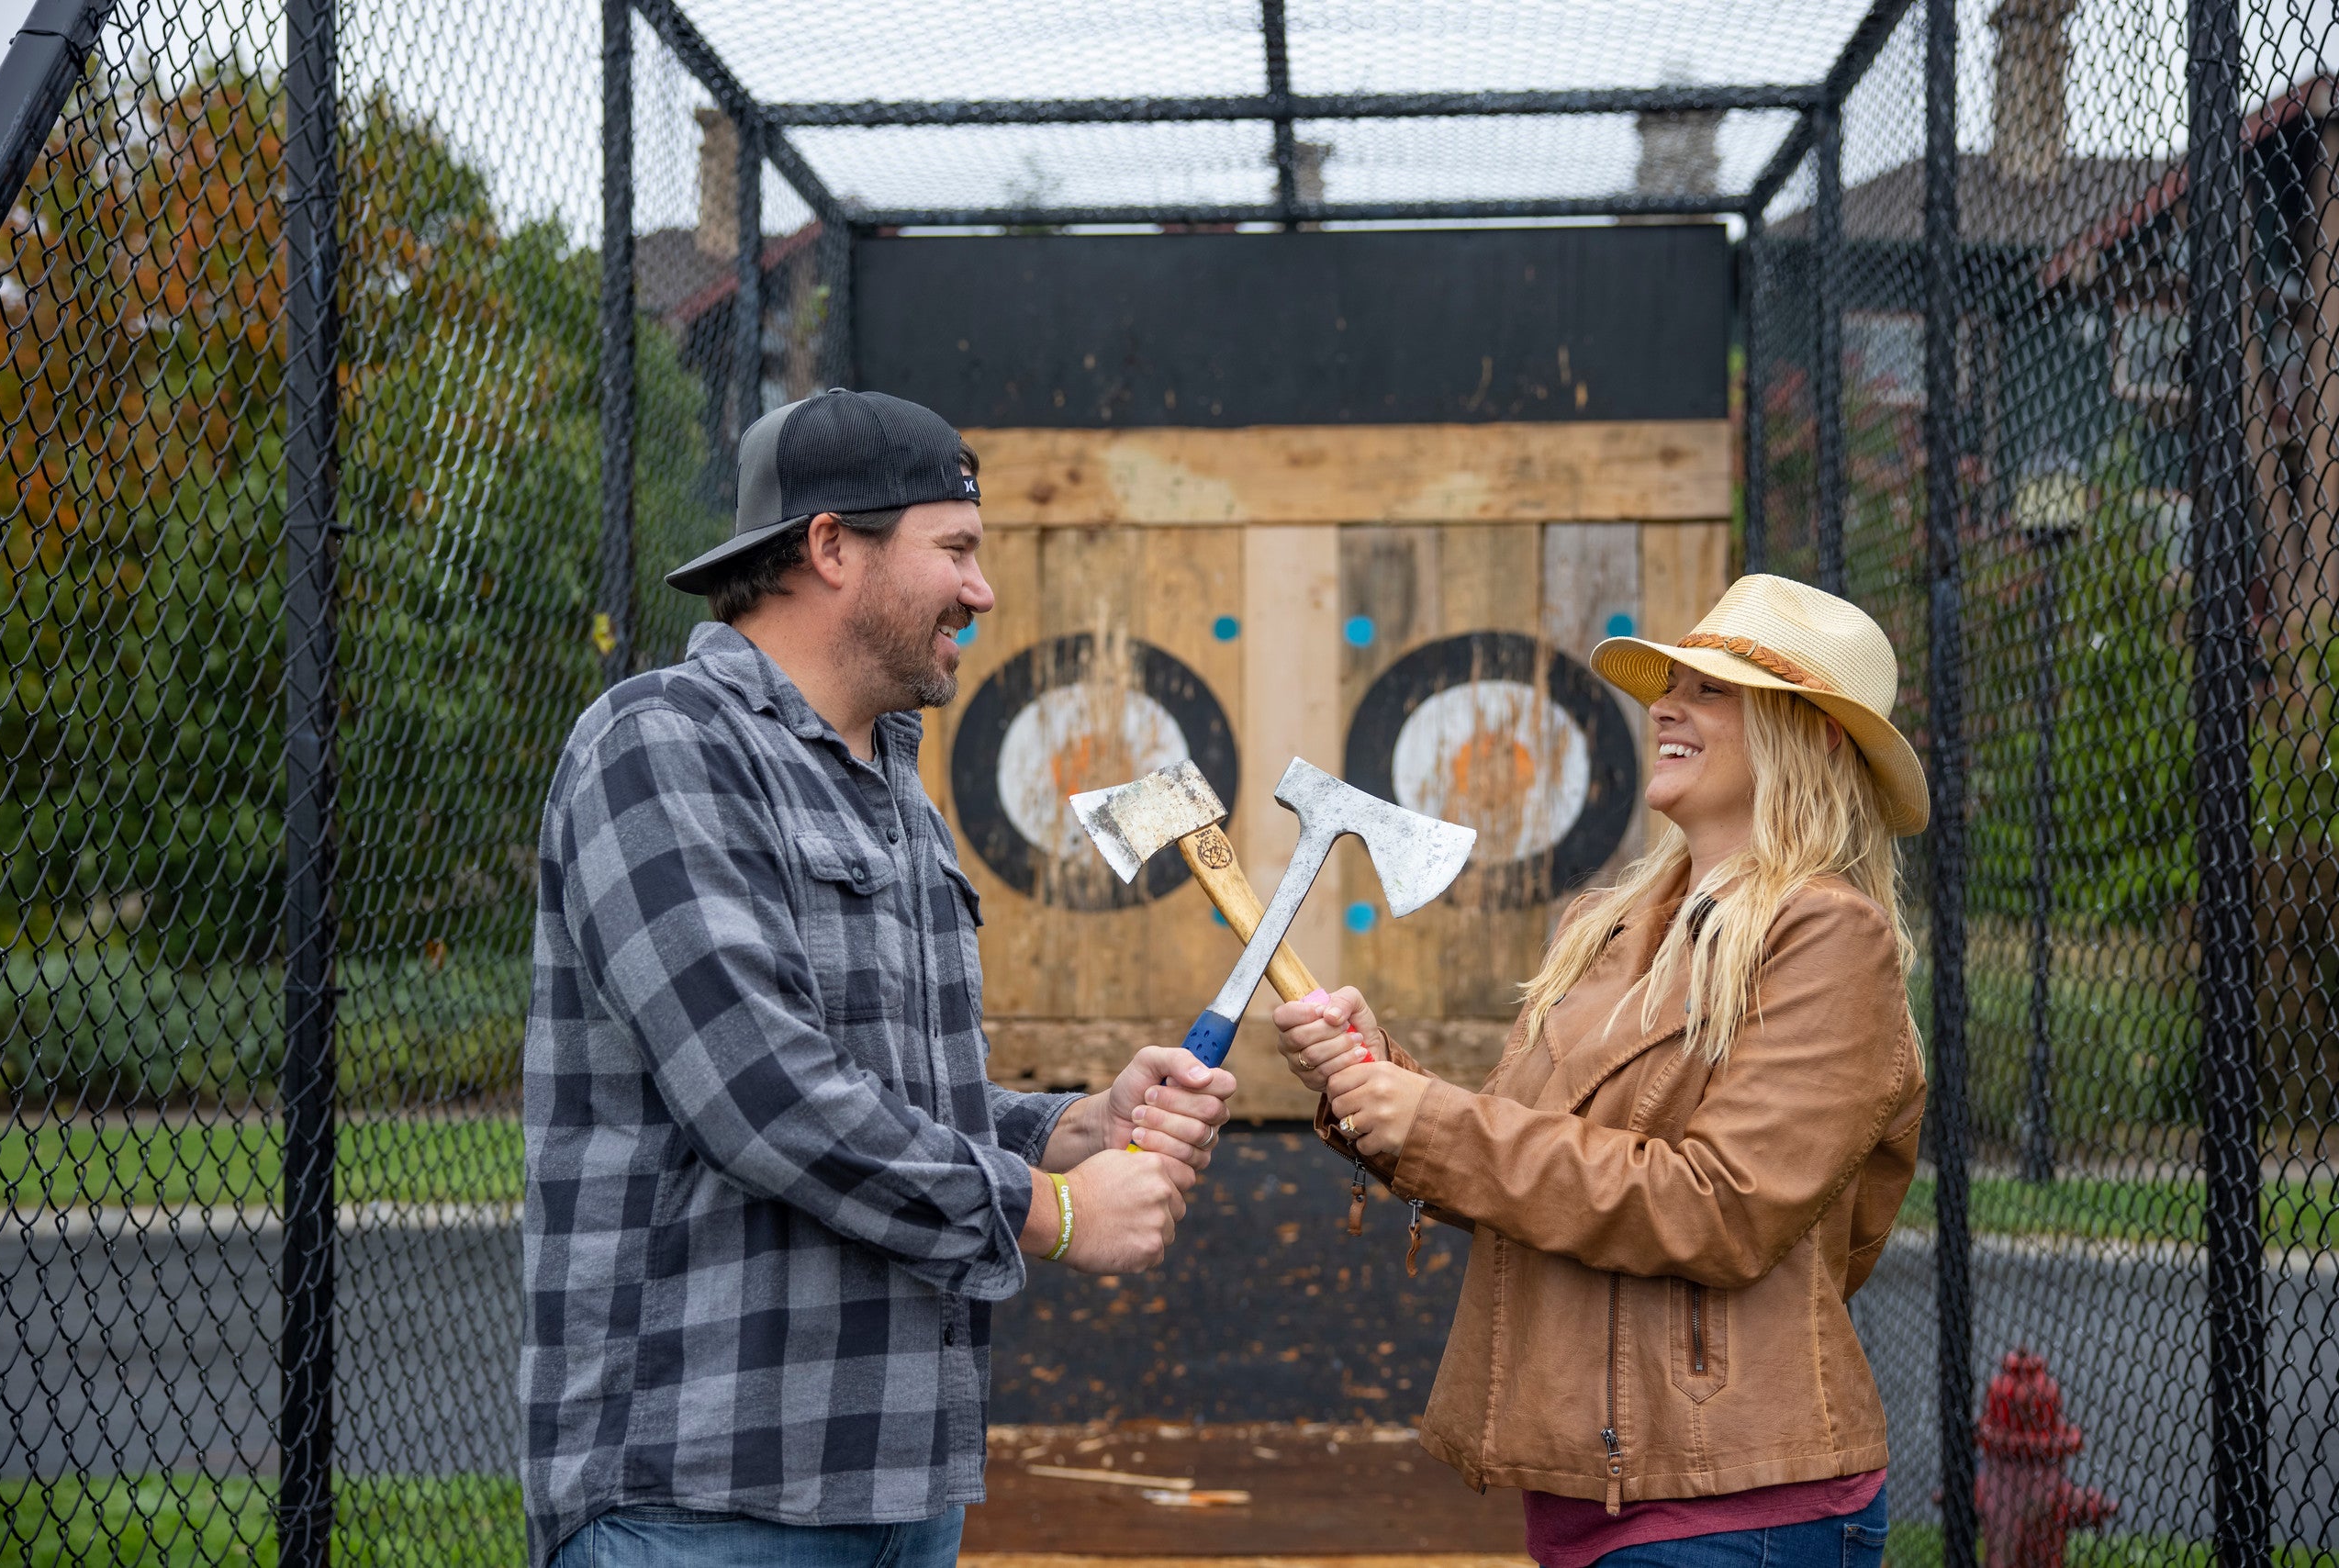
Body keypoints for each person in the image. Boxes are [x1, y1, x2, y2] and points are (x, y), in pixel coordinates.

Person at [521, 388, 1237, 1568]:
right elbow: (763, 1093)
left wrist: (1069, 1125)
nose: (981, 589)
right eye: (954, 548)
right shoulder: (660, 743)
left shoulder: (898, 794)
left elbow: (886, 1084)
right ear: (831, 547)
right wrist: (1048, 1212)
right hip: (704, 1494)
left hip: (898, 1479)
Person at [1274, 574, 1929, 1568]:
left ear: (1816, 736)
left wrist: (1437, 1119)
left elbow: (1723, 1207)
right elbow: (1516, 1168)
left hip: (1736, 1498)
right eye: (1671, 684)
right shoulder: (1607, 928)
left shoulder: (1829, 937)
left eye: (1712, 690)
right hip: (1587, 1488)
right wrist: (1375, 1080)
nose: (1666, 703)